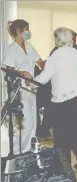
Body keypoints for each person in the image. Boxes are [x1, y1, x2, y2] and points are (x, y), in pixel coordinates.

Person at [29, 27, 77, 169]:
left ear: (58, 39)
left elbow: (45, 77)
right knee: (74, 134)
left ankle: (63, 167)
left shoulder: (56, 55)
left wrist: (30, 84)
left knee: (60, 137)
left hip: (61, 102)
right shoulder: (76, 53)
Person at [3, 19, 45, 154]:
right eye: (27, 29)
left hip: (31, 88)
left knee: (33, 121)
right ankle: (18, 152)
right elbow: (9, 70)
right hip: (19, 90)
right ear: (19, 31)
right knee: (24, 123)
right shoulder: (11, 49)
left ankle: (30, 150)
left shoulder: (28, 46)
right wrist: (22, 73)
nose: (28, 32)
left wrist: (49, 70)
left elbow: (39, 62)